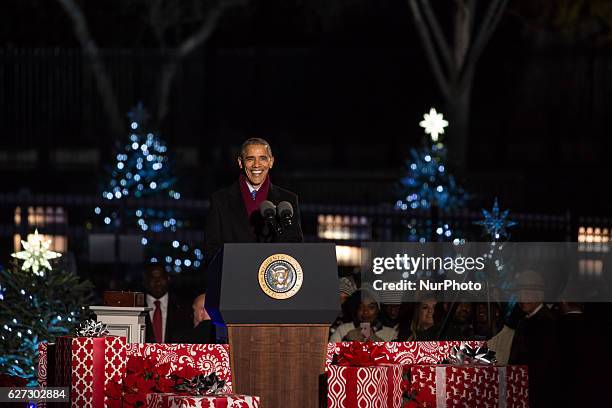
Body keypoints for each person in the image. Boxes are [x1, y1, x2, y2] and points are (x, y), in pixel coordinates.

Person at [204, 138, 303, 264]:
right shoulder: (220, 200)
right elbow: (211, 250)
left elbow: (296, 247)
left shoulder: (288, 200)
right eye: (250, 159)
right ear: (240, 162)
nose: (257, 165)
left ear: (271, 161)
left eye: (263, 158)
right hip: (235, 277)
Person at [508, 270, 559, 408]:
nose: (523, 298)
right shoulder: (525, 320)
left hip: (537, 394)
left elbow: (543, 364)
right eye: (520, 294)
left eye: (527, 293)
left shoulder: (547, 322)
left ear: (539, 295)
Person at [143, 265, 191, 343]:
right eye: (153, 277)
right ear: (145, 281)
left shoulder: (183, 308)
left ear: (168, 279)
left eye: (161, 277)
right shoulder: (135, 307)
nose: (157, 281)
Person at [329, 289, 397, 342]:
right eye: (361, 307)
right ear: (355, 309)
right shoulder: (342, 330)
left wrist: (378, 342)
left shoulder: (391, 333)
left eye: (371, 307)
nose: (365, 312)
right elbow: (328, 356)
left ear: (378, 310)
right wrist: (346, 341)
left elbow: (397, 358)